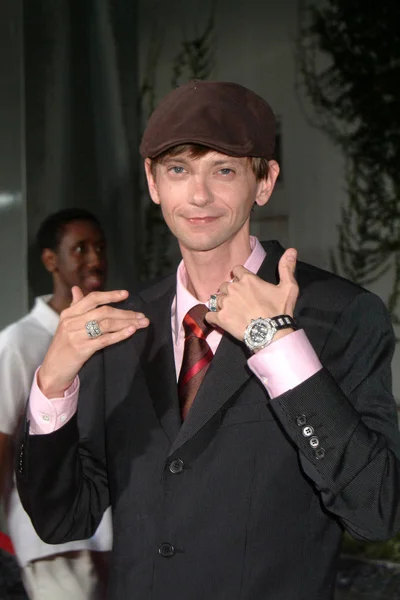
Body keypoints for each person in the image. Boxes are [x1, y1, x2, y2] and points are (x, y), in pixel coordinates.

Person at [16, 81, 400, 600]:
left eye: (224, 170)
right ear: (153, 182)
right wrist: (53, 383)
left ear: (263, 181)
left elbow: (376, 510)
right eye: (178, 170)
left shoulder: (342, 314)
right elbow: (63, 519)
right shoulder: (125, 327)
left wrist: (278, 346)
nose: (198, 195)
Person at [0, 208, 113, 600]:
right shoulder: (19, 341)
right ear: (51, 260)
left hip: (106, 529)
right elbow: (1, 439)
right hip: (47, 538)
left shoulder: (111, 330)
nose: (95, 258)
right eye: (79, 249)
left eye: (99, 247)